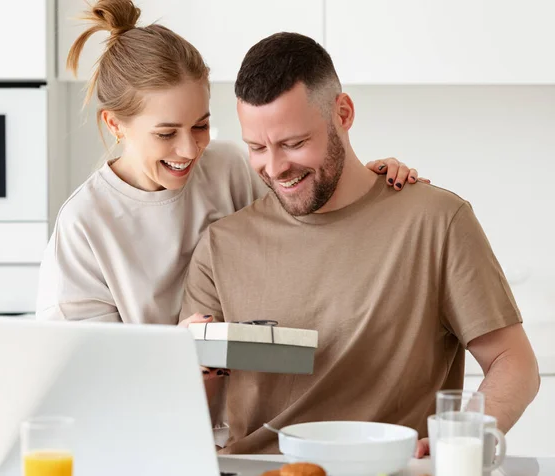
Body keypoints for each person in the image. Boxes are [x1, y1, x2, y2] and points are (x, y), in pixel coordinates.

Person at [180, 32, 541, 456]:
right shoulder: (222, 246)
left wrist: (464, 440)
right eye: (257, 147)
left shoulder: (436, 221)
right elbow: (191, 421)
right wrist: (188, 366)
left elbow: (513, 362)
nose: (275, 167)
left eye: (294, 143)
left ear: (344, 113)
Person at [36, 0, 423, 326]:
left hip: (242, 404)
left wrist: (366, 181)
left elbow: (306, 217)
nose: (189, 150)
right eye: (166, 134)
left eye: (201, 125)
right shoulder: (84, 225)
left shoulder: (227, 169)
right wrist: (178, 347)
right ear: (115, 125)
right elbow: (85, 364)